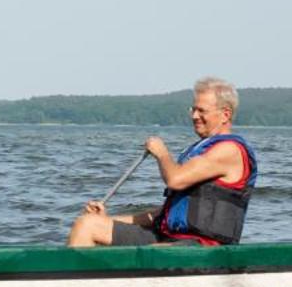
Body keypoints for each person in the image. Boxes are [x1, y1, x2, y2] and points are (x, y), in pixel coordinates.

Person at [67, 77, 258, 248]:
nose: (194, 116)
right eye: (193, 109)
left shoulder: (229, 150)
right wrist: (107, 219)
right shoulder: (201, 151)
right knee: (87, 224)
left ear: (225, 114)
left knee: (154, 252)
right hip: (169, 238)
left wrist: (162, 153)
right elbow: (163, 215)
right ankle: (72, 282)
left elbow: (175, 180)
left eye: (201, 110)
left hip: (204, 246)